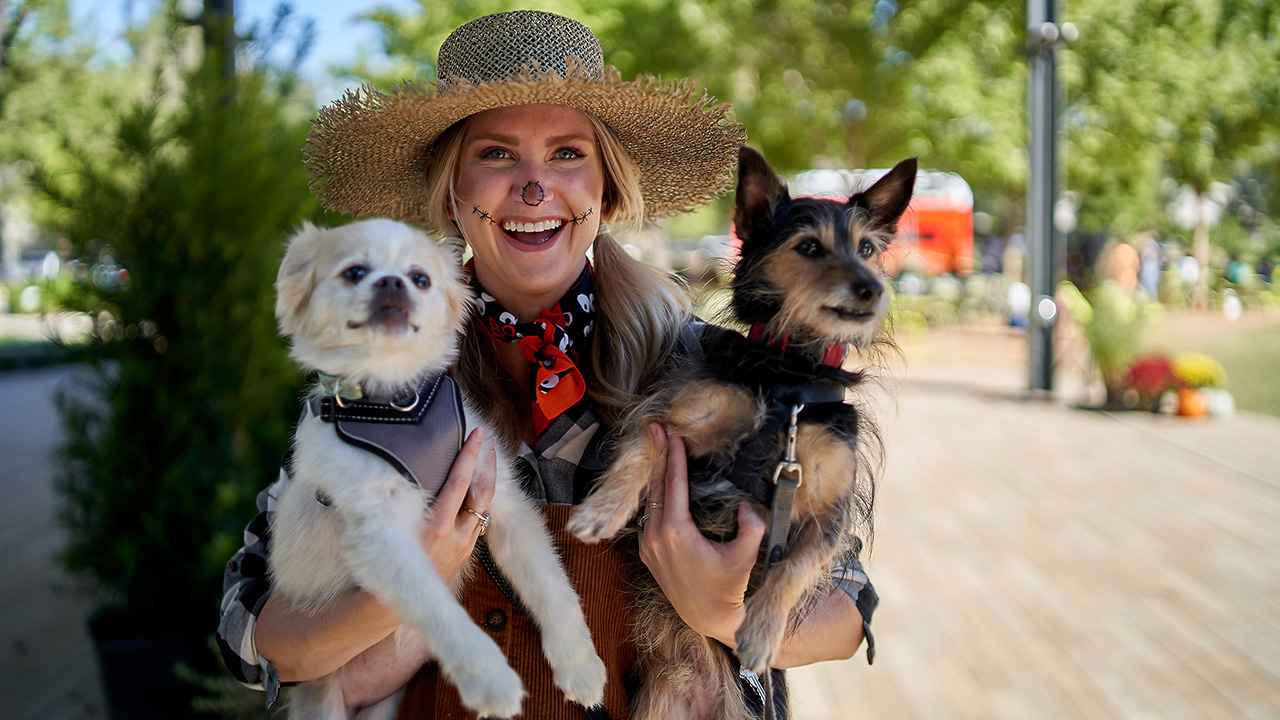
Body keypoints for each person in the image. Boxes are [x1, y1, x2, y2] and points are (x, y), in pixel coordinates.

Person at [217, 10, 877, 719]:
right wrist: (398, 592)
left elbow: (849, 612)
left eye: (567, 154)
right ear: (450, 193)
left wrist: (719, 611)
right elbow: (248, 635)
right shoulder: (376, 383)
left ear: (608, 192)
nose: (534, 187)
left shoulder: (704, 373)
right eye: (497, 154)